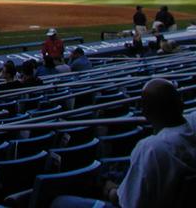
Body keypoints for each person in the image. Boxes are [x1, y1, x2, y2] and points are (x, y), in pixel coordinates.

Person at [54, 79, 196, 208]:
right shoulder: (191, 126)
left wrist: (111, 190)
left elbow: (126, 203)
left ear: (146, 112)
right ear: (181, 103)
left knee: (60, 202)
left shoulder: (151, 148)